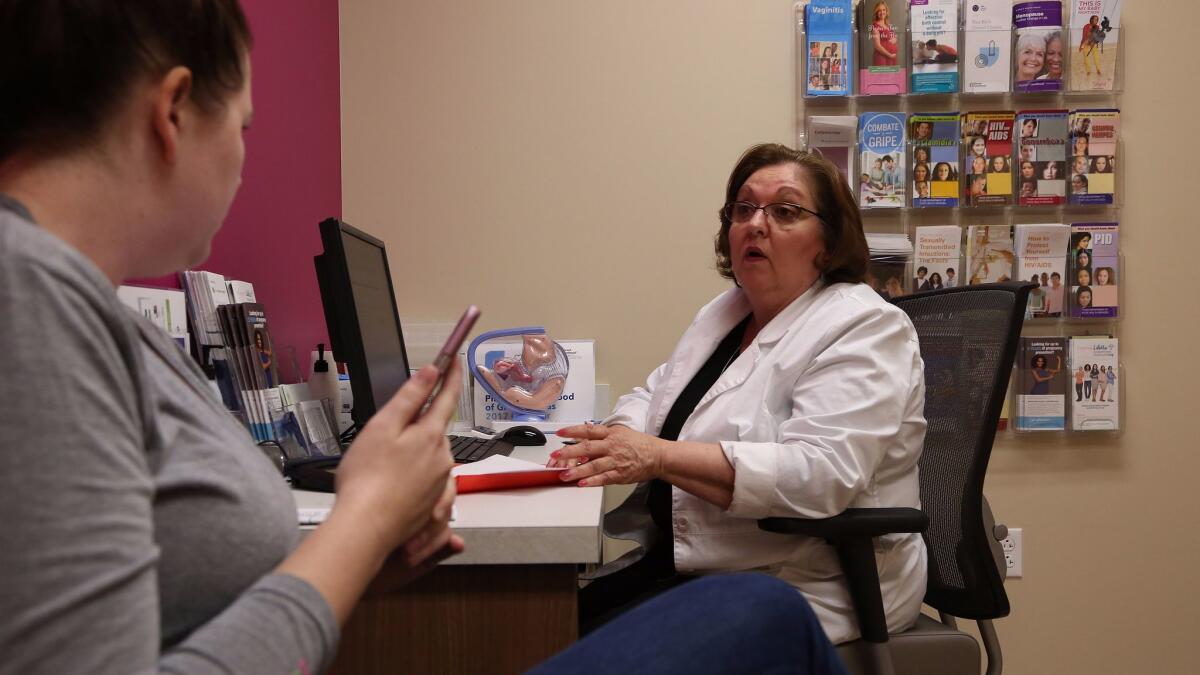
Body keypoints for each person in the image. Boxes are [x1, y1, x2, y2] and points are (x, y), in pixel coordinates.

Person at [0, 3, 846, 673]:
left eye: (783, 211)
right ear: (173, 111)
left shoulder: (82, 310)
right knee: (759, 617)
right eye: (245, 128)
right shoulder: (29, 294)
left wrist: (369, 557)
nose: (244, 160)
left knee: (749, 609)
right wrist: (363, 521)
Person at [552, 144, 928, 646]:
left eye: (786, 211)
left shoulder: (865, 326)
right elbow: (653, 394)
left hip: (811, 584)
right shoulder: (728, 313)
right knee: (546, 631)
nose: (756, 223)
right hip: (701, 570)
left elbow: (821, 475)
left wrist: (657, 457)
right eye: (743, 209)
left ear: (829, 242)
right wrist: (622, 437)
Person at [870, 1, 898, 66]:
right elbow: (877, 46)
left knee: (891, 76)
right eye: (879, 10)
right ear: (876, 13)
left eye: (883, 10)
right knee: (882, 76)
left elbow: (893, 37)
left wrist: (895, 39)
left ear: (886, 11)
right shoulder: (875, 26)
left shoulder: (888, 25)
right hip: (882, 58)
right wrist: (890, 55)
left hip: (891, 58)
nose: (882, 12)